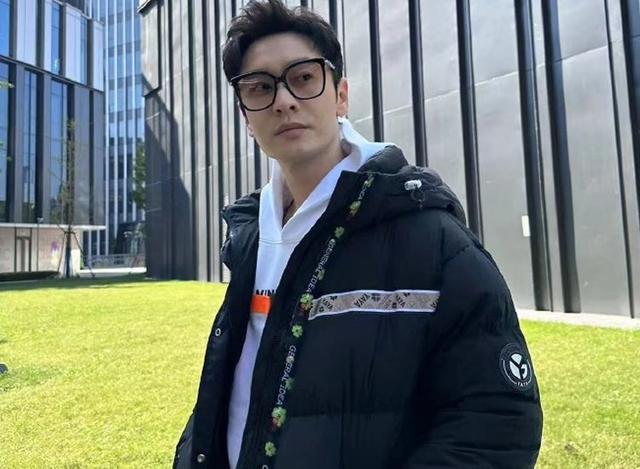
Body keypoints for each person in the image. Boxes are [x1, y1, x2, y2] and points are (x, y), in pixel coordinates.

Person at [173, 1, 543, 468]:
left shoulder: (432, 238)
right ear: (247, 117)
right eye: (260, 88)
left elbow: (497, 422)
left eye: (303, 78)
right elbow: (232, 392)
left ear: (341, 96)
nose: (284, 101)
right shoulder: (252, 238)